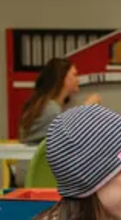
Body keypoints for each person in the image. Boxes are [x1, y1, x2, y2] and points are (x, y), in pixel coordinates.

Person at [15, 58, 101, 186]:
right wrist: (87, 108)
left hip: (31, 171)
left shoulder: (44, 106)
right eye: (74, 75)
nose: (78, 79)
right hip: (38, 176)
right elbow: (69, 133)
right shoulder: (50, 109)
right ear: (63, 79)